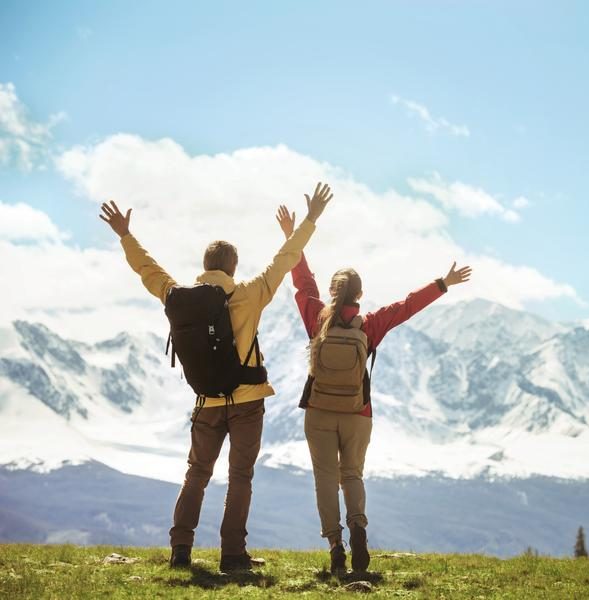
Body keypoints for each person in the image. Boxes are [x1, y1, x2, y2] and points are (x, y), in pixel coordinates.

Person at [98, 183, 333, 572]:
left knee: (196, 474)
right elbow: (286, 257)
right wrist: (309, 220)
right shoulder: (251, 293)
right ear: (233, 267)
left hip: (205, 403)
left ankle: (181, 549)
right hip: (247, 402)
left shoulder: (178, 296)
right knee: (240, 477)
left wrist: (125, 234)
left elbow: (148, 269)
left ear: (205, 266)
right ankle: (232, 555)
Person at [281, 210, 472, 576]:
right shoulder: (370, 324)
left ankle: (335, 546)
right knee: (351, 474)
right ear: (361, 294)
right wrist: (442, 283)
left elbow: (303, 284)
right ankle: (358, 529)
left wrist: (293, 238)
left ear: (333, 293)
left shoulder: (317, 319)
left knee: (325, 477)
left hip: (319, 411)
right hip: (358, 413)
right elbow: (406, 307)